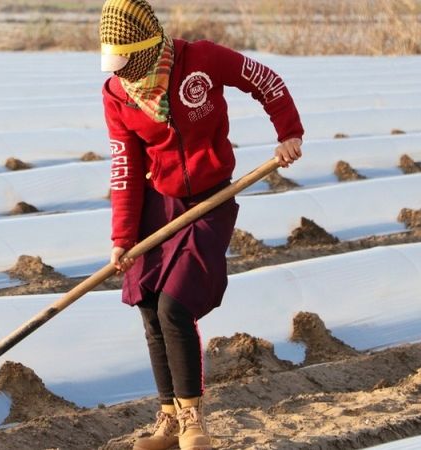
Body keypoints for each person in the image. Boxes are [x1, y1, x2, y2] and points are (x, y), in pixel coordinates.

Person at [98, 1, 304, 449]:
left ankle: (193, 419)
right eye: (114, 64)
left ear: (148, 49)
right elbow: (125, 167)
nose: (120, 73)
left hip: (211, 200)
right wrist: (123, 237)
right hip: (158, 203)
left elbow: (266, 80)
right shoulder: (117, 93)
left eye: (126, 62)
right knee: (148, 305)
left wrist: (288, 133)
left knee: (174, 306)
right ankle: (169, 420)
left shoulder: (202, 60)